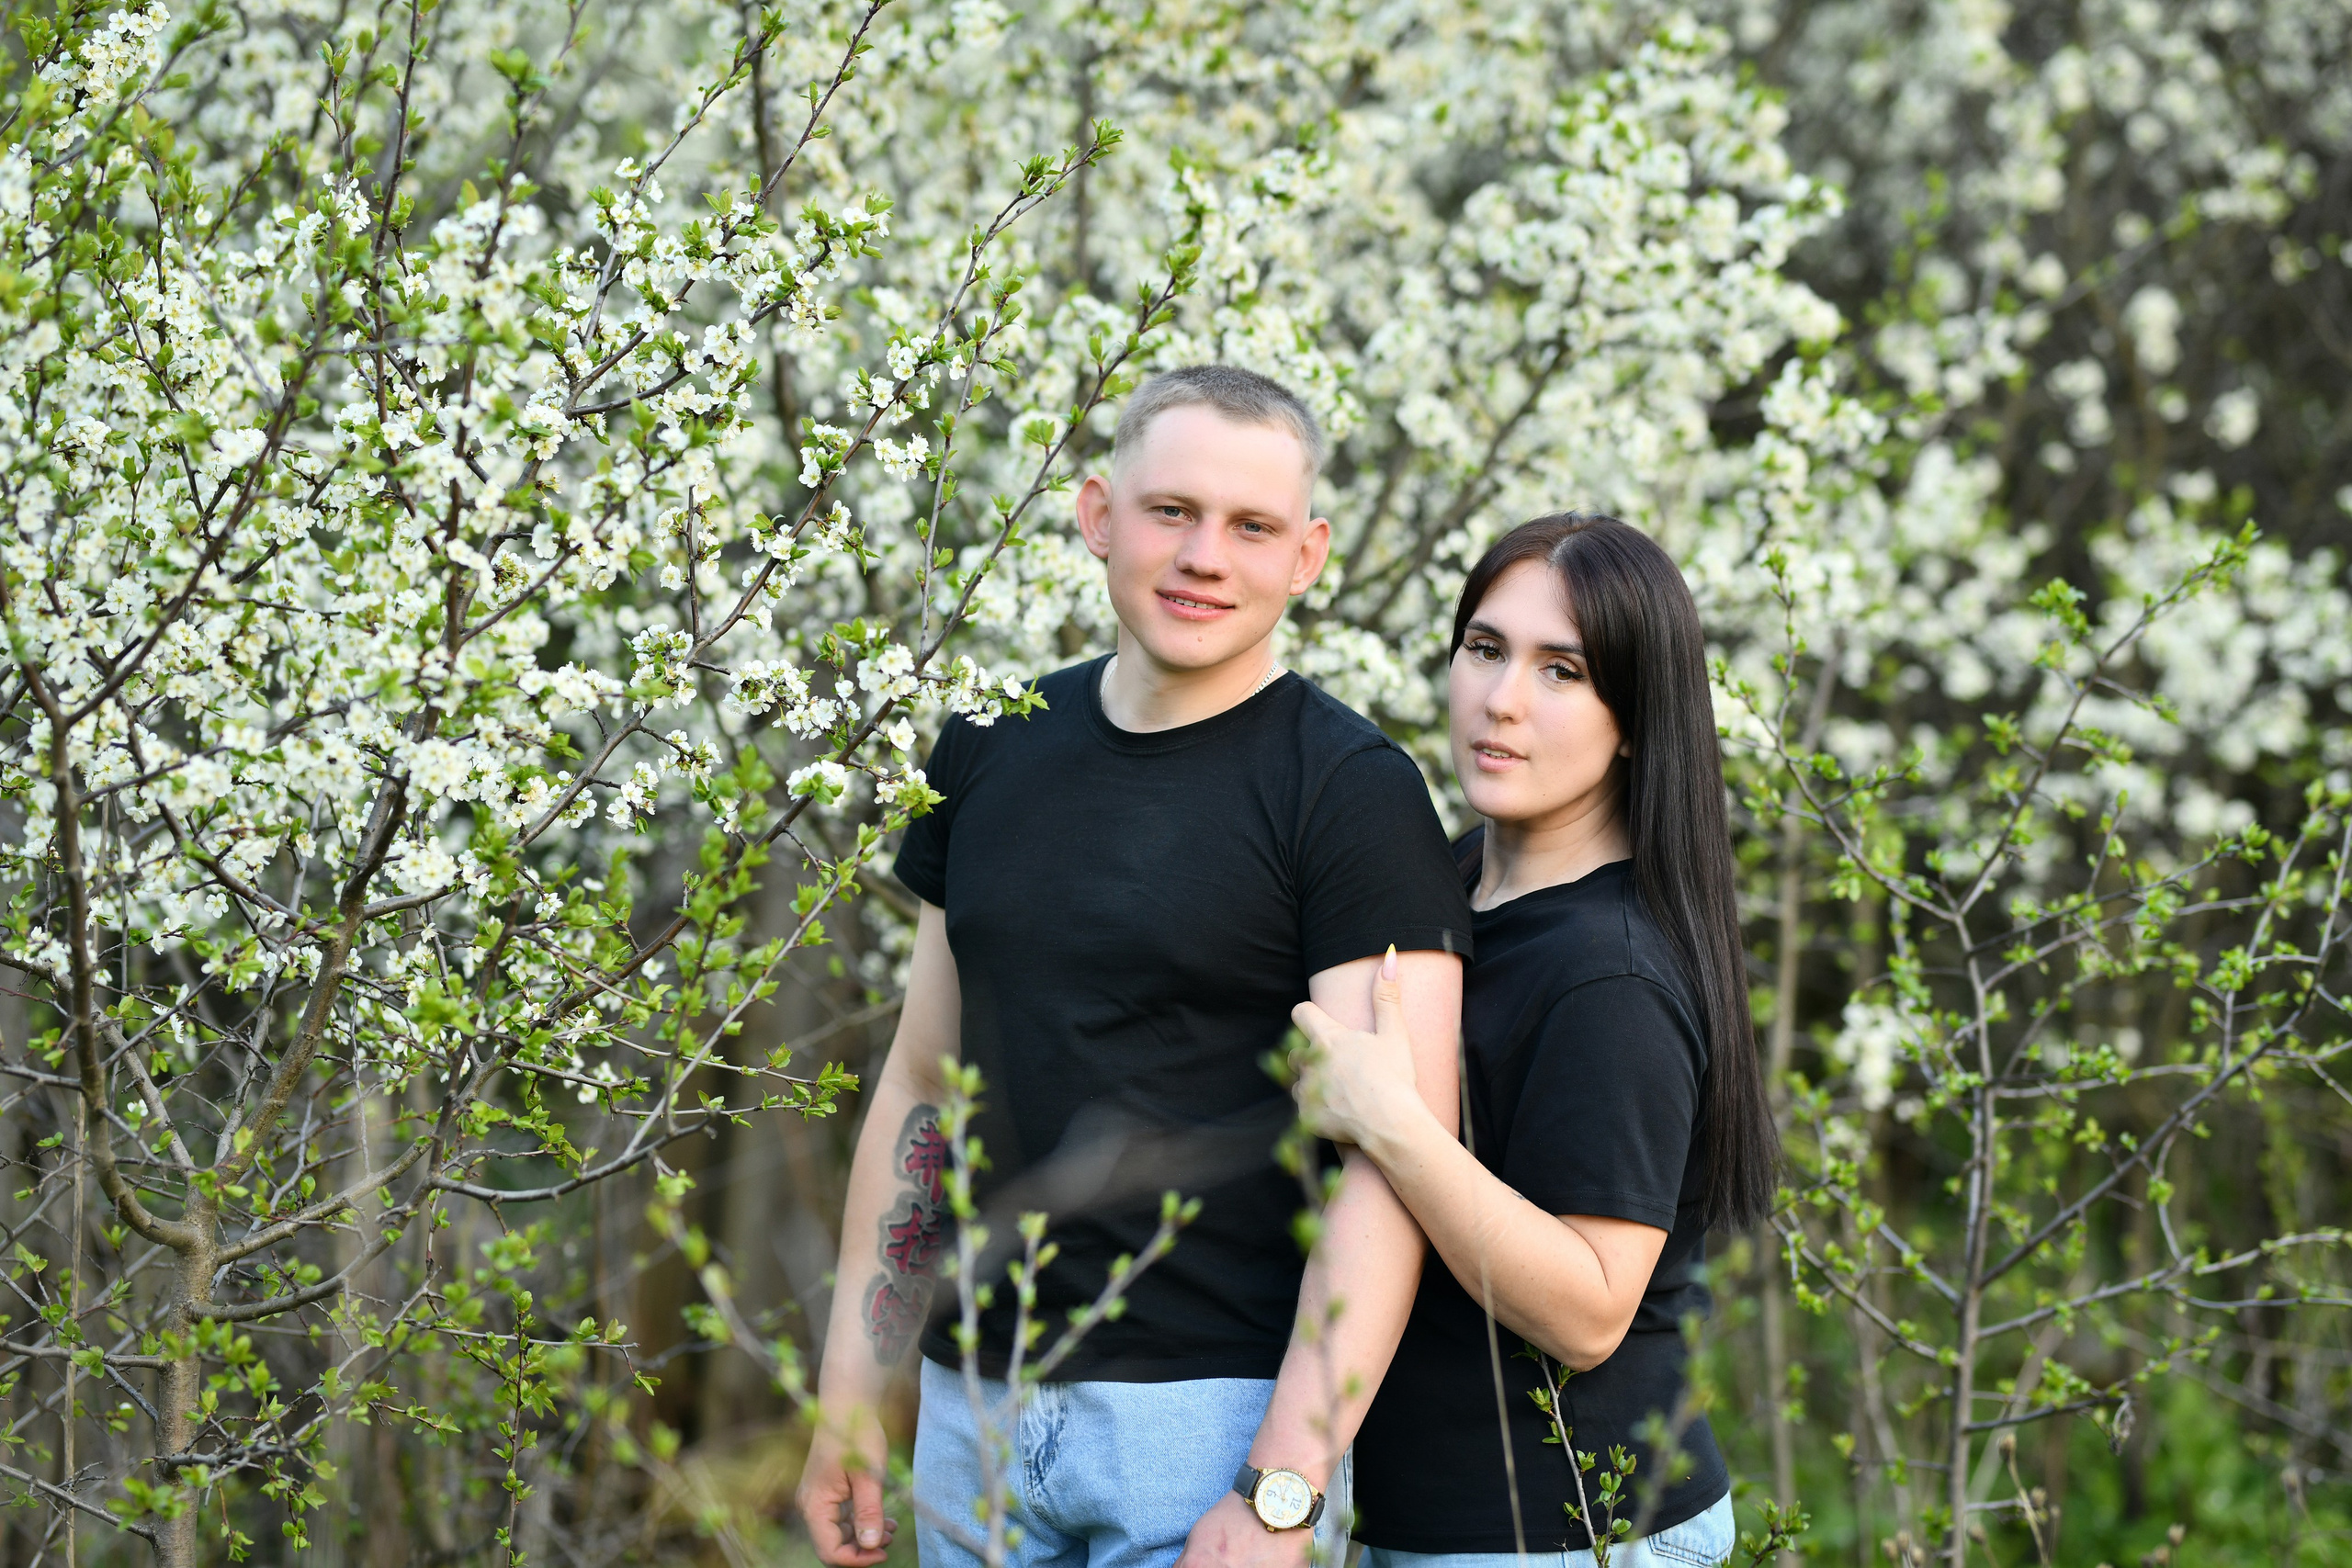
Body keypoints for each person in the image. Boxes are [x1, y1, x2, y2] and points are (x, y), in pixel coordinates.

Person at [795, 366, 1476, 1568]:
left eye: (1251, 525)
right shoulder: (989, 742)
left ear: (1306, 554)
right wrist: (857, 1381)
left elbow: (1393, 1167)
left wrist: (1284, 1481)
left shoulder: (1353, 795)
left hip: (1208, 1422)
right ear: (1099, 513)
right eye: (1172, 511)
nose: (1204, 555)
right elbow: (919, 1090)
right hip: (975, 1408)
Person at [1289, 514, 1781, 1567]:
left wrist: (1389, 1121)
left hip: (1565, 1534)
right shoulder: (1455, 877)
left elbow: (1591, 1309)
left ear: (1636, 718)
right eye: (1485, 648)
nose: (1502, 699)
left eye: (1563, 670)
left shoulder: (1609, 974)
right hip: (1434, 1521)